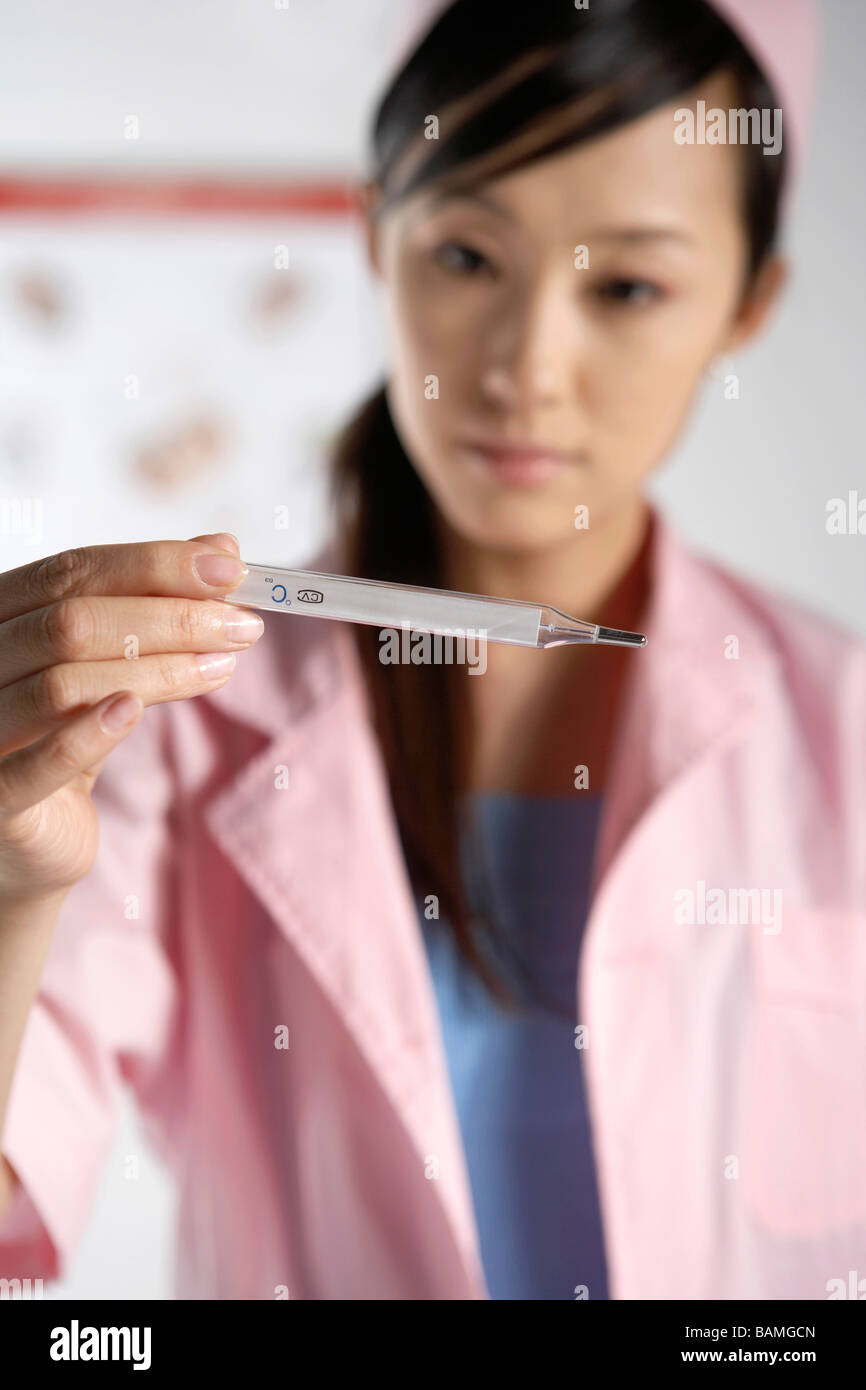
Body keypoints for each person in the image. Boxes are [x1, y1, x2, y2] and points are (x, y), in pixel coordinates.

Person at [1, 0, 862, 1301]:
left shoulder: (841, 722)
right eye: (466, 256)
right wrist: (13, 883)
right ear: (374, 239)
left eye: (625, 285)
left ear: (748, 304)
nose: (526, 365)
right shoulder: (169, 724)